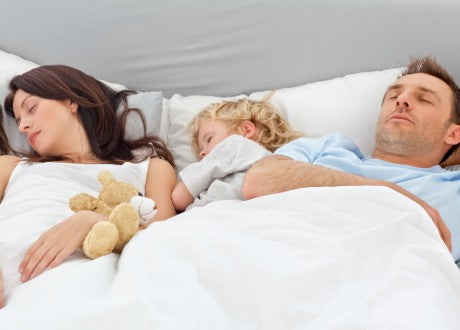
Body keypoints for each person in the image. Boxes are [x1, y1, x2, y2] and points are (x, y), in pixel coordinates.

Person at [242, 56, 460, 262]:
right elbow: (258, 181)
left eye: (424, 99)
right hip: (268, 250)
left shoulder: (452, 189)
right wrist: (386, 192)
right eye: (393, 96)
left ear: (453, 134)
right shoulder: (328, 147)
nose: (402, 100)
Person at [0, 65, 177, 307]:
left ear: (71, 102)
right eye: (19, 121)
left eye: (31, 109)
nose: (22, 127)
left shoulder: (149, 167)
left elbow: (164, 233)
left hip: (94, 284)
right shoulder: (11, 166)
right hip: (11, 283)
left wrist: (96, 220)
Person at [171, 95, 302, 211]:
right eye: (201, 150)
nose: (202, 154)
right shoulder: (280, 163)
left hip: (211, 216)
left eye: (209, 139)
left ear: (246, 130)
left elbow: (178, 199)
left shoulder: (233, 145)